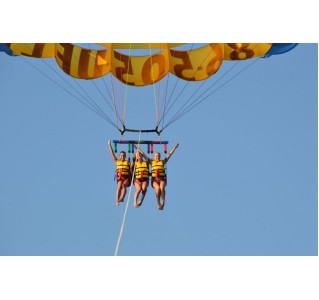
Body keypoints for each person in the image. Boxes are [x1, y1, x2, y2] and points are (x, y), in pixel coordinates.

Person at [136, 143, 179, 210]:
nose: (157, 157)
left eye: (158, 156)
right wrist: (138, 148)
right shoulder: (151, 162)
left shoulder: (163, 162)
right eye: (156, 156)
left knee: (161, 187)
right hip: (154, 180)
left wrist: (175, 147)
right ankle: (159, 203)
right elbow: (144, 155)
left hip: (162, 179)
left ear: (160, 157)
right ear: (154, 157)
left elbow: (169, 154)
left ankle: (163, 202)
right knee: (158, 189)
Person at [108, 140, 131, 206]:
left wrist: (131, 165)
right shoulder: (117, 161)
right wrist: (109, 146)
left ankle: (122, 198)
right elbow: (112, 154)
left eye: (123, 155)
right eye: (121, 155)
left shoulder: (128, 162)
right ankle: (117, 200)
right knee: (119, 186)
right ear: (119, 156)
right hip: (120, 177)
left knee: (124, 186)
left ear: (125, 156)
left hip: (126, 177)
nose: (122, 156)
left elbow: (132, 166)